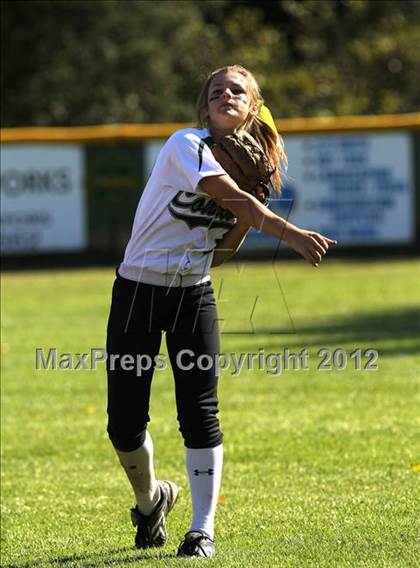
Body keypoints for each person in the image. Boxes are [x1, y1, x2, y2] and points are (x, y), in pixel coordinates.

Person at [106, 64, 337, 559]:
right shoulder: (184, 145)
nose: (226, 94)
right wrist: (288, 231)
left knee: (200, 413)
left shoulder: (245, 169)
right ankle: (151, 501)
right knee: (123, 423)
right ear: (204, 108)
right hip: (138, 292)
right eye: (217, 90)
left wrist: (243, 219)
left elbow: (219, 254)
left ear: (252, 107)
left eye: (238, 90)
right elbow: (230, 197)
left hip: (193, 294)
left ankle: (201, 529)